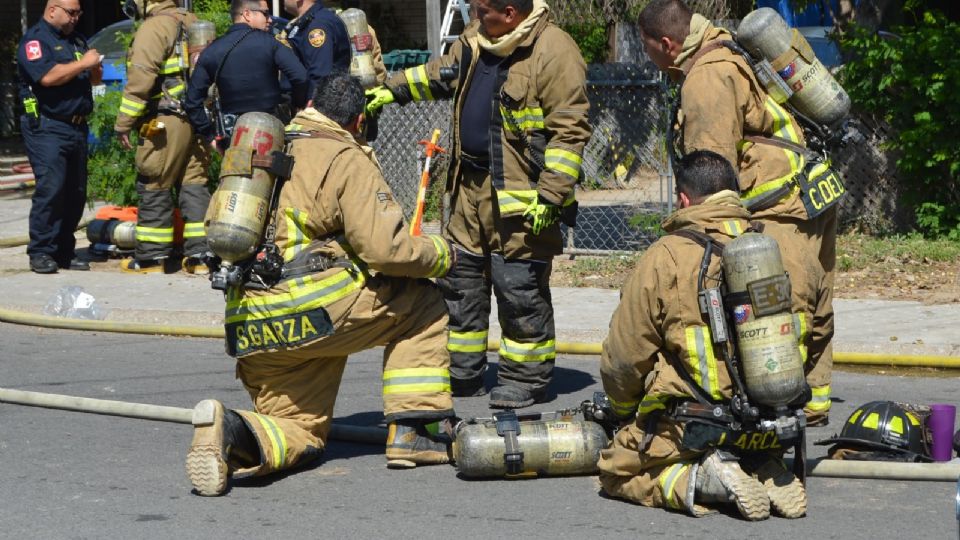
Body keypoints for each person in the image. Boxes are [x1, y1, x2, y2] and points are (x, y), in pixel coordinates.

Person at [186, 73, 457, 497]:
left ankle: (229, 432)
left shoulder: (267, 147)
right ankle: (415, 431)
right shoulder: (344, 155)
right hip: (315, 313)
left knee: (300, 432)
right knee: (422, 305)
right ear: (359, 119)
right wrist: (441, 255)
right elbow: (385, 250)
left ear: (312, 103)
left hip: (250, 325)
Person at [367, 0, 592, 409]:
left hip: (521, 197)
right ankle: (462, 371)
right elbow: (439, 75)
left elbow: (570, 128)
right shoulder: (476, 41)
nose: (473, 16)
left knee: (519, 288)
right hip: (467, 188)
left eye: (481, 9)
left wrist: (552, 194)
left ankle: (525, 377)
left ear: (509, 13)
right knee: (460, 282)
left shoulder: (554, 51)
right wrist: (391, 89)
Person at [597, 150, 828, 520]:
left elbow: (625, 353)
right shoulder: (794, 248)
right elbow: (822, 330)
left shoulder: (666, 256)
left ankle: (703, 479)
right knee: (754, 446)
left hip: (698, 426)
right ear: (735, 193)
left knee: (616, 470)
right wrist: (810, 411)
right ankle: (763, 465)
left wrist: (625, 412)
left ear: (684, 199)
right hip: (774, 425)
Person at [635, 0, 836, 425]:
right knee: (816, 295)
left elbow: (713, 175)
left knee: (782, 302)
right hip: (811, 189)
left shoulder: (706, 79)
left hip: (777, 204)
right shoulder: (727, 47)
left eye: (647, 46)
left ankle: (781, 404)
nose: (647, 55)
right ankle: (814, 398)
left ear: (667, 44)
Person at [114, 0, 211, 274]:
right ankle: (200, 258)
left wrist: (124, 123)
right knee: (195, 184)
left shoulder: (154, 27)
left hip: (163, 121)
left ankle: (150, 260)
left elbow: (140, 80)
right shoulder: (192, 21)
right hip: (198, 118)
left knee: (153, 181)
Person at [17, 0, 101, 274]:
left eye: (79, 13)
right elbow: (48, 77)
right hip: (47, 126)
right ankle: (41, 251)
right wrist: (84, 64)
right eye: (72, 12)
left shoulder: (76, 40)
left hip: (76, 126)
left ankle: (64, 251)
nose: (77, 18)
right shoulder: (35, 41)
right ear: (52, 10)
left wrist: (94, 67)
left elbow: (93, 79)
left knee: (75, 192)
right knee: (51, 188)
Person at [184, 0, 309, 152]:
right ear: (247, 14)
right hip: (272, 135)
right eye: (265, 13)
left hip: (234, 140)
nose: (270, 19)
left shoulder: (211, 51)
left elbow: (191, 101)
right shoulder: (271, 44)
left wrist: (210, 136)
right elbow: (301, 76)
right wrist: (297, 105)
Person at [276, 0, 351, 91]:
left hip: (318, 100)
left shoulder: (318, 24)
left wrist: (312, 101)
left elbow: (320, 73)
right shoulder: (305, 21)